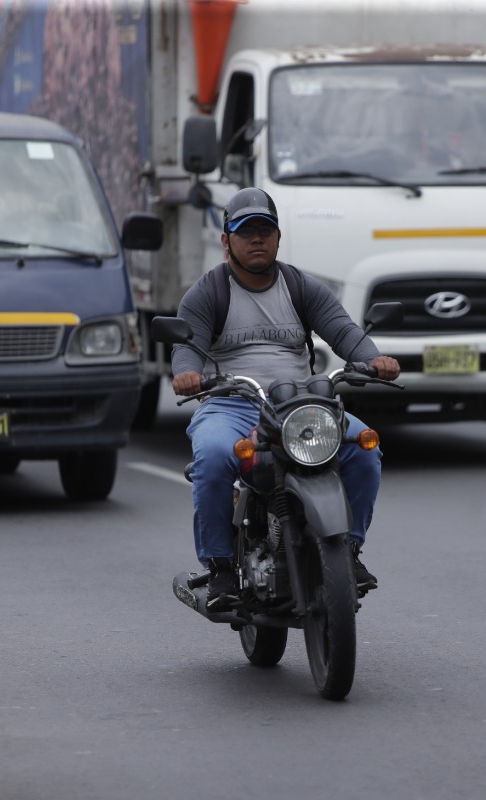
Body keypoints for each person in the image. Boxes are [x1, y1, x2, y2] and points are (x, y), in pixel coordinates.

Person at [170, 187, 401, 611]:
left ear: (278, 237)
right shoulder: (208, 293)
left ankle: (347, 552)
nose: (257, 238)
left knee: (364, 447)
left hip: (298, 403)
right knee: (214, 456)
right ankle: (221, 567)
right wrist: (187, 374)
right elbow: (186, 346)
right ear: (226, 241)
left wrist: (374, 360)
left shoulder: (300, 286)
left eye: (265, 229)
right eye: (245, 231)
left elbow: (345, 332)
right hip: (231, 403)